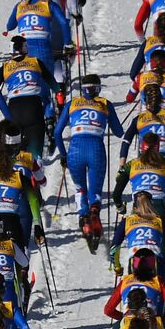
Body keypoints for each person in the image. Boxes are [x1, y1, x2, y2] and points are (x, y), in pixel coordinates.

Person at [53, 74, 124, 245]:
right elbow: (119, 132)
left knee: (80, 189)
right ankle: (94, 213)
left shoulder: (72, 104)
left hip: (75, 151)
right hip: (96, 149)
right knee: (95, 191)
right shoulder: (105, 104)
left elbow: (57, 133)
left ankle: (84, 218)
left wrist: (63, 155)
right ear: (97, 88)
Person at [0, 36, 58, 158]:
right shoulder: (35, 62)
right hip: (33, 107)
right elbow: (53, 84)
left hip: (14, 109)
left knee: (14, 154)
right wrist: (59, 95)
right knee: (35, 155)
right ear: (25, 47)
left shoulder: (4, 67)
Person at [4, 0, 72, 88]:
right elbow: (63, 22)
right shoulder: (49, 4)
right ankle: (56, 98)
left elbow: (10, 26)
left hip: (23, 49)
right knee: (46, 84)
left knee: (28, 84)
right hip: (43, 47)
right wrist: (67, 43)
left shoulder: (19, 6)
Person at [105, 248, 165, 329]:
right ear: (154, 263)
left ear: (133, 263)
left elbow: (108, 310)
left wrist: (123, 316)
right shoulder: (158, 281)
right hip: (152, 324)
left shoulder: (125, 281)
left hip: (129, 324)